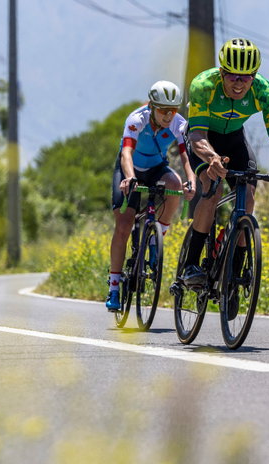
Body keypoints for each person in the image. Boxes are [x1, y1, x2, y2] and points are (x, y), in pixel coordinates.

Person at [182, 38, 269, 286]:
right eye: (232, 76)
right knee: (211, 191)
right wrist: (212, 158)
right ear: (222, 72)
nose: (239, 83)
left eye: (246, 77)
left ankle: (234, 272)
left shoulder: (266, 93)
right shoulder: (204, 85)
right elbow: (197, 136)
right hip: (203, 138)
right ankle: (191, 264)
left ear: (254, 76)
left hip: (235, 139)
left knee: (246, 200)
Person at [106, 81, 196, 311]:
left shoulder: (179, 123)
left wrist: (190, 179)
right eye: (164, 110)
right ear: (152, 106)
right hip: (130, 169)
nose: (169, 115)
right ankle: (114, 287)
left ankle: (157, 236)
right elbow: (126, 152)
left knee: (174, 185)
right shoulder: (137, 119)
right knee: (124, 226)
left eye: (173, 110)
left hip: (156, 168)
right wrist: (129, 177)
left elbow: (186, 155)